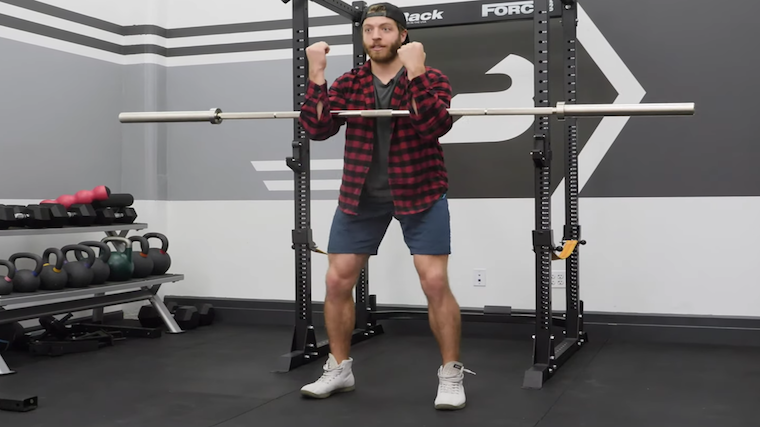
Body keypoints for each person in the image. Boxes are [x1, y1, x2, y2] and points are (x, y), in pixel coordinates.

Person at [297, 2, 473, 410]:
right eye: (370, 29)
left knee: (433, 282)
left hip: (421, 191)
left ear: (403, 35)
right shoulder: (350, 81)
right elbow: (318, 128)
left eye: (386, 29)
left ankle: (450, 373)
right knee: (337, 282)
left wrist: (415, 73)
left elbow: (434, 126)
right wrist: (317, 76)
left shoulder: (431, 78)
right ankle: (339, 367)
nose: (376, 36)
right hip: (360, 195)